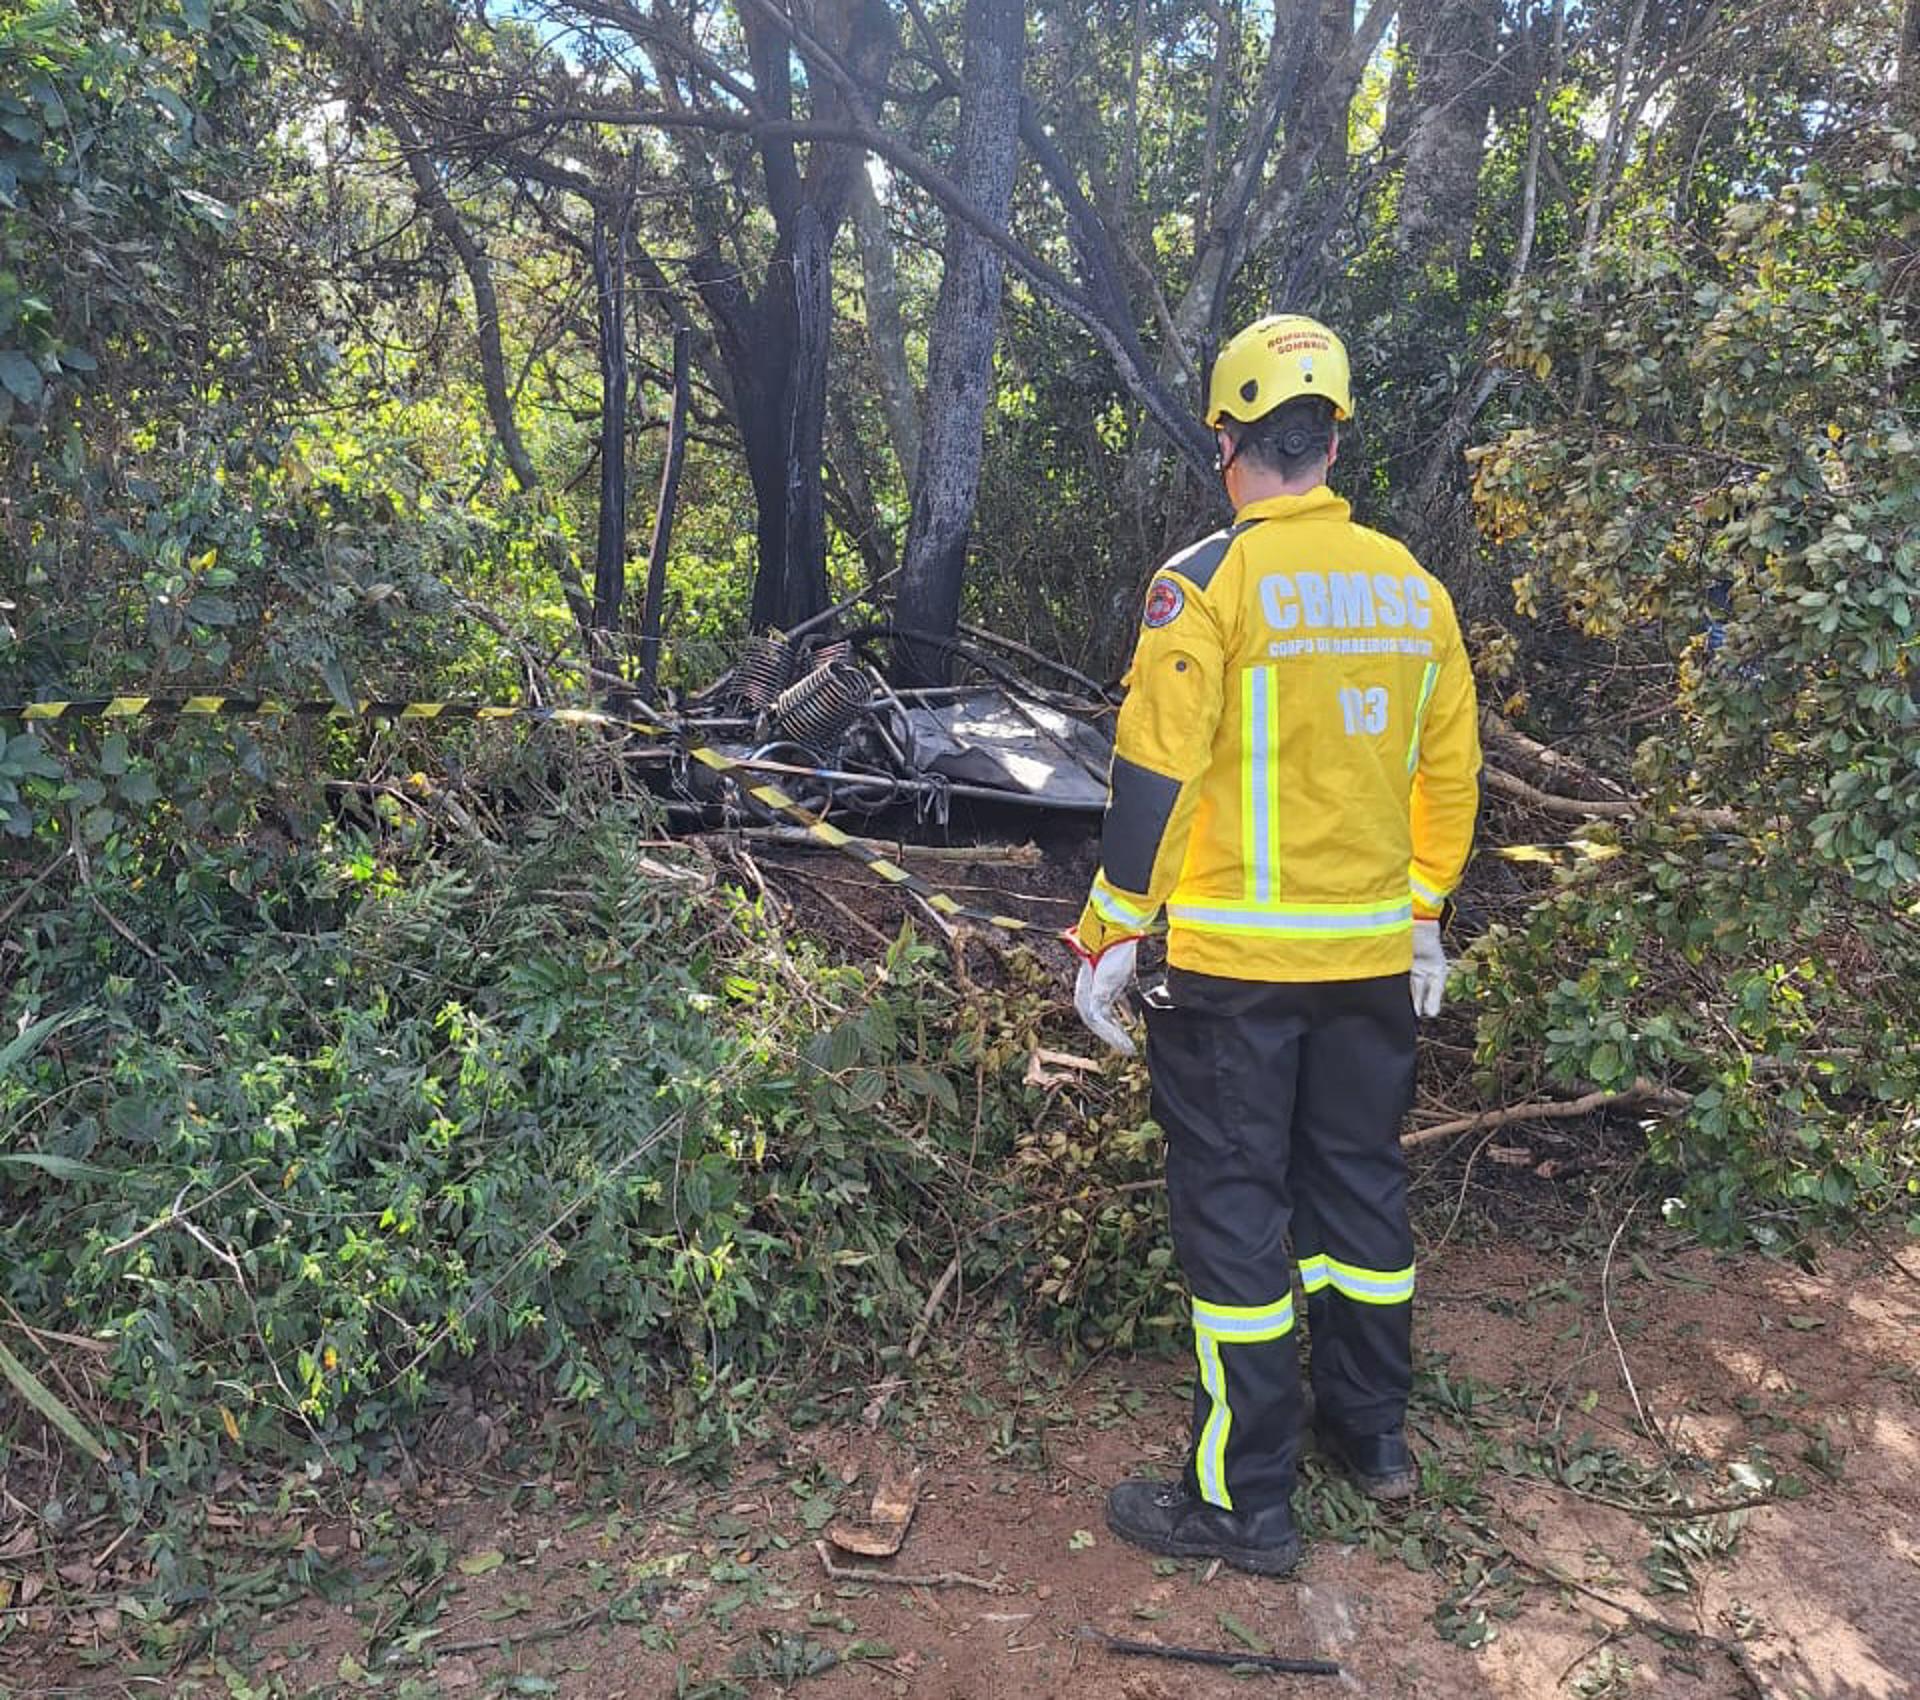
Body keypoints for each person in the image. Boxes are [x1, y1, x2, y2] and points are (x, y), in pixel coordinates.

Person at [1064, 314, 1481, 1577]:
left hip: (1234, 976)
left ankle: (1244, 1501)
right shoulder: (1414, 589)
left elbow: (1155, 769)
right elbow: (1447, 773)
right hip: (1368, 969)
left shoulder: (1208, 582)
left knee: (1237, 1218)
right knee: (1358, 1189)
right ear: (1337, 436)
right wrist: (1422, 912)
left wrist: (1111, 929)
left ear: (1228, 442)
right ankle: (1375, 1436)